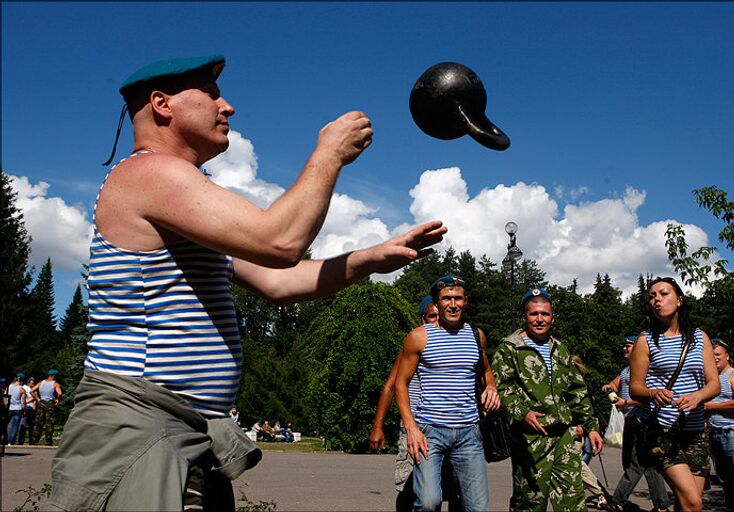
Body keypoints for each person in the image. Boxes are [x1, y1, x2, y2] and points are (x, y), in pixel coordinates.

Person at [49, 54, 446, 512]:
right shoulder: (148, 173)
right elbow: (280, 242)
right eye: (211, 93)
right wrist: (329, 155)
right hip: (139, 424)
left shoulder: (179, 200)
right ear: (162, 104)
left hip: (182, 429)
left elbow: (281, 282)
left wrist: (371, 258)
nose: (228, 106)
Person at [492, 288, 604, 512]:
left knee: (573, 501)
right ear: (525, 317)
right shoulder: (510, 348)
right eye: (534, 314)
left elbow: (577, 391)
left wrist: (592, 427)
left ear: (553, 317)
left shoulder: (559, 349)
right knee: (531, 502)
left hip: (563, 434)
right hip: (531, 438)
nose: (540, 319)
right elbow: (501, 388)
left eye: (545, 314)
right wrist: (522, 412)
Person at [395, 275, 500, 512]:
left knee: (478, 507)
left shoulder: (476, 335)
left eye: (458, 298)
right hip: (430, 433)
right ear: (437, 302)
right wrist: (411, 428)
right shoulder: (419, 337)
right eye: (446, 298)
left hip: (469, 434)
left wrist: (491, 388)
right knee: (429, 502)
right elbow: (400, 384)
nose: (453, 304)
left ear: (465, 302)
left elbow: (486, 372)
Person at [629, 277, 720, 512]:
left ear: (679, 300)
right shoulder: (645, 340)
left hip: (696, 431)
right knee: (693, 502)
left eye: (663, 293)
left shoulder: (700, 337)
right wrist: (653, 393)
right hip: (663, 431)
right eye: (652, 296)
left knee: (685, 504)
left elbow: (714, 384)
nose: (656, 299)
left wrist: (698, 397)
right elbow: (635, 388)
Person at [370, 295, 460, 512]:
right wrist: (377, 426)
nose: (437, 320)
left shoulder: (456, 344)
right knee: (410, 488)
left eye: (440, 315)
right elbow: (390, 386)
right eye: (432, 316)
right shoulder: (415, 345)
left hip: (450, 425)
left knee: (453, 489)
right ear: (423, 319)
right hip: (415, 425)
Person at [602, 336, 670, 512]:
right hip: (630, 420)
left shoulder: (643, 369)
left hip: (644, 420)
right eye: (624, 345)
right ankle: (661, 504)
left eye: (629, 346)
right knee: (646, 464)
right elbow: (615, 384)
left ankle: (619, 501)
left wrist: (626, 403)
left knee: (636, 462)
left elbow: (649, 398)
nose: (625, 348)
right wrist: (608, 388)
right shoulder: (626, 370)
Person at [704, 338, 734, 512]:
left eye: (717, 354)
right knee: (725, 479)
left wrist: (711, 406)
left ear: (727, 357)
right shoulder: (711, 379)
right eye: (712, 354)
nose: (714, 358)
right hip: (715, 432)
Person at [570, 355, 610, 510]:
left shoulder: (578, 383)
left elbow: (582, 406)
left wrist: (581, 424)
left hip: (578, 427)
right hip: (577, 427)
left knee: (577, 464)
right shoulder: (576, 380)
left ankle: (599, 492)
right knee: (577, 463)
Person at [31, 369, 62, 446]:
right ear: (54, 376)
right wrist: (58, 400)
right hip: (50, 404)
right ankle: (48, 441)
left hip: (41, 403)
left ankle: (34, 441)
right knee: (49, 423)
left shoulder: (41, 383)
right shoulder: (55, 384)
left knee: (38, 422)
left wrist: (37, 398)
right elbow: (60, 393)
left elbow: (31, 391)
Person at [5, 373, 26, 445]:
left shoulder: (8, 387)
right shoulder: (22, 389)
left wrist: (6, 406)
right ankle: (11, 441)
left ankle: (7, 440)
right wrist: (24, 410)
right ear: (21, 381)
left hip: (10, 408)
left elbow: (5, 398)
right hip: (18, 408)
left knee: (9, 424)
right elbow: (23, 401)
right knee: (15, 425)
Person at [19, 376, 37, 445]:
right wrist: (26, 403)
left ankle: (28, 441)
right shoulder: (26, 388)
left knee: (29, 425)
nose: (33, 384)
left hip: (29, 408)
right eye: (32, 382)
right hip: (27, 408)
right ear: (28, 382)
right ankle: (22, 441)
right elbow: (33, 397)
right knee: (25, 424)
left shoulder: (30, 388)